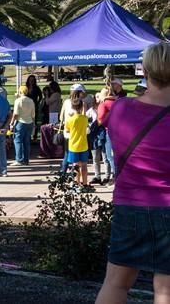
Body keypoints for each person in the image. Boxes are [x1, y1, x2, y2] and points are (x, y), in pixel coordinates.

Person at [96, 42, 170, 304]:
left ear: (146, 71)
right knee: (165, 290)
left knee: (115, 284)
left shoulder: (121, 109)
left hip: (129, 205)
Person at [64, 97, 91, 188]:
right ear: (81, 107)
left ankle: (76, 183)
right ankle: (85, 183)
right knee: (84, 165)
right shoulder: (85, 119)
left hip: (73, 145)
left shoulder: (69, 120)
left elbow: (67, 131)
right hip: (83, 145)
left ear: (72, 107)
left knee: (75, 166)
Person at [10, 85, 35, 166]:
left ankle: (19, 159)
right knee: (27, 142)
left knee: (17, 141)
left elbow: (15, 114)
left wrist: (11, 123)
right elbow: (33, 114)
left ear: (20, 92)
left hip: (20, 122)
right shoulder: (31, 101)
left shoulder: (18, 101)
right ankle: (26, 160)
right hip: (29, 122)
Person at [97, 86, 117, 185]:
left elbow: (100, 119)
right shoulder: (118, 102)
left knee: (109, 155)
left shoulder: (103, 104)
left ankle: (116, 175)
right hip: (122, 131)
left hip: (110, 131)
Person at [25, 75, 43, 141]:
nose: (31, 81)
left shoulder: (36, 88)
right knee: (27, 121)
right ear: (28, 80)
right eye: (30, 80)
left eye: (33, 80)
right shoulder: (26, 87)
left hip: (34, 107)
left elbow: (40, 96)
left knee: (34, 121)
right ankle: (28, 136)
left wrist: (37, 102)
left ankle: (35, 136)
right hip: (26, 107)